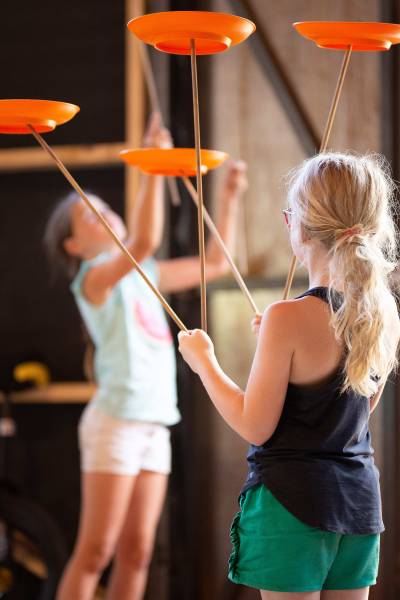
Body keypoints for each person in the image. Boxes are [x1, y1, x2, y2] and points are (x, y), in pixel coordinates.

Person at [44, 111, 248, 600]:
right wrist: (155, 164)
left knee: (137, 552)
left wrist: (229, 197)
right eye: (88, 216)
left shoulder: (146, 272)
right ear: (74, 245)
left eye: (104, 208)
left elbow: (217, 264)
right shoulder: (92, 280)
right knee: (96, 551)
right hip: (115, 422)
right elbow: (142, 240)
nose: (103, 215)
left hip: (155, 422)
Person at [178, 152, 400, 600]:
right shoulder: (384, 313)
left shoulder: (287, 317)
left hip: (292, 505)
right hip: (358, 506)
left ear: (299, 227)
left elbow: (254, 424)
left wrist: (205, 364)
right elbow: (359, 406)